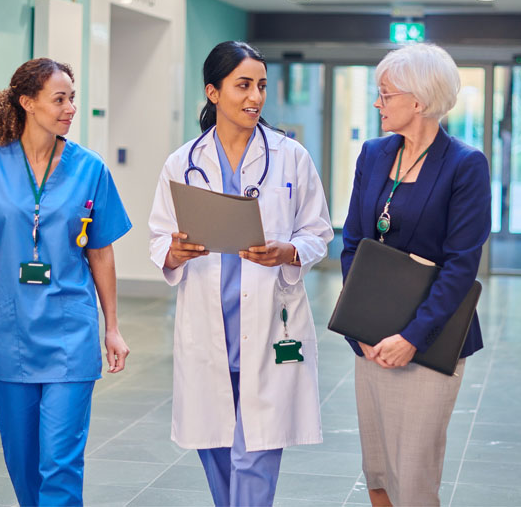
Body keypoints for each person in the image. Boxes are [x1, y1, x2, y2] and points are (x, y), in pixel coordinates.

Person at [148, 41, 333, 506]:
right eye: (243, 85)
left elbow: (320, 231)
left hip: (272, 325)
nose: (255, 97)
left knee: (254, 457)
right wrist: (174, 252)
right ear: (213, 92)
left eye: (261, 86)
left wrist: (289, 250)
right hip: (208, 333)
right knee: (215, 451)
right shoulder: (182, 163)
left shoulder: (291, 158)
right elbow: (158, 239)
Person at [0, 58, 132, 506]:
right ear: (27, 102)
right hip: (9, 333)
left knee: (61, 463)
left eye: (72, 99)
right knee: (23, 462)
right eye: (59, 99)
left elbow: (101, 252)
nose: (69, 109)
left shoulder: (90, 169)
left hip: (71, 330)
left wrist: (113, 326)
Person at [341, 43, 491, 506]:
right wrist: (360, 331)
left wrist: (411, 337)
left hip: (429, 342)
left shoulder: (465, 166)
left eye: (385, 94)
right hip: (372, 343)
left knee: (415, 476)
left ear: (418, 101)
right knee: (380, 471)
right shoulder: (373, 154)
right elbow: (351, 245)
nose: (376, 103)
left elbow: (460, 267)